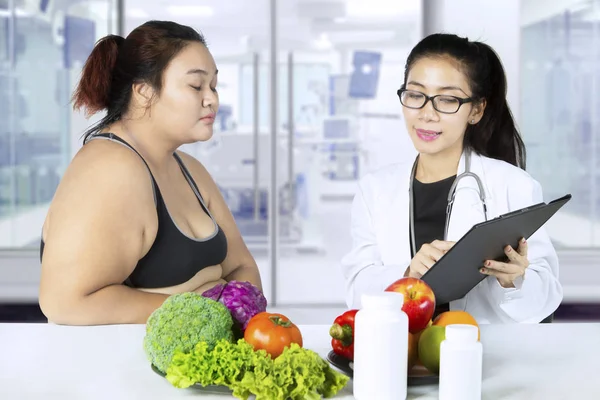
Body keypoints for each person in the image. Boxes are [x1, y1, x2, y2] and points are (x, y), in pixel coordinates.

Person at [38, 21, 262, 325]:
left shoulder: (190, 169)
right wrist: (201, 315)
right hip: (128, 367)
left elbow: (242, 266)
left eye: (213, 86)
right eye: (196, 86)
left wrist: (239, 316)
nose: (212, 99)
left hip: (203, 363)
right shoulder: (110, 169)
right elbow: (65, 302)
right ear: (144, 92)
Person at [341, 33, 562, 324]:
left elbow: (545, 299)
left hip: (484, 355)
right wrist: (407, 274)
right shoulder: (375, 190)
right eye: (416, 95)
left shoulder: (514, 185)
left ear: (476, 110)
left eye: (447, 100)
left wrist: (515, 280)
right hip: (403, 357)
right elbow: (356, 288)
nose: (427, 114)